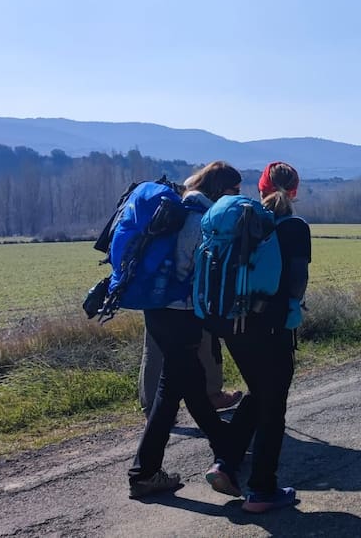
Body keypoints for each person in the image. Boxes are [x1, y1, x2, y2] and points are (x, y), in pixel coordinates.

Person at [128, 161, 242, 499]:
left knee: (188, 386)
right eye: (234, 192)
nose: (236, 198)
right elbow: (195, 273)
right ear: (221, 190)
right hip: (183, 314)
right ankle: (143, 474)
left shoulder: (176, 209)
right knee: (168, 395)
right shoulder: (202, 220)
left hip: (156, 310)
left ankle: (227, 451)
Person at [204, 160, 307, 513]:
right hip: (273, 328)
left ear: (259, 189)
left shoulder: (242, 220)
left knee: (258, 393)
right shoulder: (294, 226)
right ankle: (262, 491)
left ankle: (225, 464)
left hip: (232, 324)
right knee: (273, 404)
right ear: (294, 191)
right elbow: (295, 283)